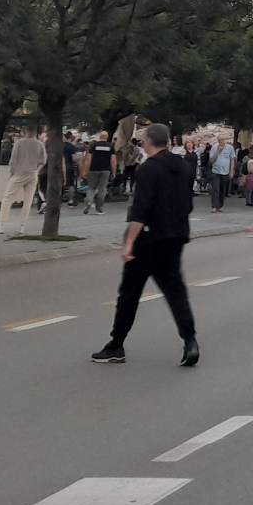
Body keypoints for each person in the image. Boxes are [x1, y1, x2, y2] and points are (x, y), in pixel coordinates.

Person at [91, 123, 198, 368]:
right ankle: (190, 341)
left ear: (149, 141)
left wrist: (129, 242)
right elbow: (188, 204)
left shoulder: (148, 169)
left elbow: (141, 209)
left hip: (148, 239)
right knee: (175, 291)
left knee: (129, 294)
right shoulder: (184, 166)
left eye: (143, 139)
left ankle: (116, 345)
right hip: (176, 236)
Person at [0, 130, 44, 235]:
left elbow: (13, 160)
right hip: (32, 173)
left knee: (7, 197)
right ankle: (22, 226)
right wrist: (36, 171)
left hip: (20, 173)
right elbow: (43, 161)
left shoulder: (19, 143)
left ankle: (1, 225)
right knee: (28, 200)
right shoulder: (39, 144)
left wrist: (12, 174)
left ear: (24, 132)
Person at [84, 130, 115, 214]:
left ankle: (89, 201)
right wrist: (113, 171)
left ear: (100, 137)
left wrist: (86, 170)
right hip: (106, 170)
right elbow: (113, 160)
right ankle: (99, 208)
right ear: (107, 137)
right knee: (102, 189)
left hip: (93, 169)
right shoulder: (111, 146)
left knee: (91, 187)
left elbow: (88, 159)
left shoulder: (93, 145)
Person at [212, 138, 237, 212]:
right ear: (218, 141)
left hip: (225, 172)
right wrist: (218, 151)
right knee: (215, 189)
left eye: (223, 140)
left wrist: (231, 171)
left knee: (222, 189)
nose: (221, 142)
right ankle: (214, 206)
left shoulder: (230, 148)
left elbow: (232, 159)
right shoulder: (214, 147)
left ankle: (220, 205)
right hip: (215, 171)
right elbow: (211, 160)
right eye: (220, 140)